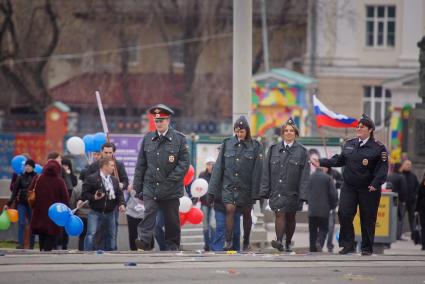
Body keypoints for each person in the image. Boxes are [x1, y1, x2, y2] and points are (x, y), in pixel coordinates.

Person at [312, 114, 388, 255]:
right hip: (350, 186)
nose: (358, 129)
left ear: (370, 130)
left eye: (362, 127)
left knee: (367, 218)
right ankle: (348, 245)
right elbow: (339, 160)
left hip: (368, 188)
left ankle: (366, 247)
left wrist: (375, 183)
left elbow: (382, 169)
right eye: (357, 126)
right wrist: (321, 162)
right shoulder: (350, 143)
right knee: (344, 213)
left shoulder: (378, 148)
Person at [133, 104, 190, 251]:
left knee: (172, 219)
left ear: (168, 120)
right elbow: (141, 165)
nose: (159, 123)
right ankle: (144, 241)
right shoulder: (148, 139)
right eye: (156, 121)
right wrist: (137, 188)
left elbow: (184, 164)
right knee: (149, 212)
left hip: (171, 187)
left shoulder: (179, 139)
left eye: (162, 120)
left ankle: (172, 245)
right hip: (151, 186)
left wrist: (170, 181)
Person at [208, 116, 263, 251]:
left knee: (246, 212)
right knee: (230, 209)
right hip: (229, 186)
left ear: (247, 131)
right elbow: (218, 168)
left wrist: (258, 192)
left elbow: (258, 171)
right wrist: (211, 191)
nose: (239, 134)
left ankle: (246, 241)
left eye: (242, 132)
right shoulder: (227, 143)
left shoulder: (255, 146)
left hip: (246, 187)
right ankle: (228, 241)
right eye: (237, 131)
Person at [260, 118, 310, 252]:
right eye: (286, 131)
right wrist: (264, 191)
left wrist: (303, 194)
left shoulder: (302, 151)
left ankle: (288, 242)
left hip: (293, 191)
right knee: (279, 214)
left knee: (290, 216)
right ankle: (279, 241)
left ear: (295, 133)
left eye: (291, 131)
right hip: (277, 190)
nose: (288, 133)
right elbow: (266, 172)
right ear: (282, 133)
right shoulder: (273, 149)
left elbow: (305, 174)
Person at [83, 142, 129, 250]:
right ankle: (96, 249)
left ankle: (112, 248)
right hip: (97, 204)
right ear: (101, 152)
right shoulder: (94, 166)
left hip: (112, 204)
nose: (108, 155)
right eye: (105, 152)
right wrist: (88, 197)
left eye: (110, 152)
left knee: (113, 228)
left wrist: (122, 185)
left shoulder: (118, 165)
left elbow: (125, 181)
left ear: (113, 153)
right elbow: (86, 184)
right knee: (96, 229)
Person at [30, 158, 69, 251]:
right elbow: (65, 198)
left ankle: (42, 250)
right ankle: (46, 253)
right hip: (54, 214)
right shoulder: (59, 181)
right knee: (51, 235)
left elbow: (30, 190)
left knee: (42, 233)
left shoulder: (38, 178)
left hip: (39, 212)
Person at [4, 159, 37, 249]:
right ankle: (20, 243)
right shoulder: (20, 177)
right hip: (21, 203)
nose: (27, 167)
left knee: (32, 224)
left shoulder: (36, 177)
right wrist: (8, 203)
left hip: (31, 203)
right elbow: (14, 192)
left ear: (33, 167)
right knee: (21, 223)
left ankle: (31, 244)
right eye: (26, 166)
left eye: (29, 166)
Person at [306, 158, 338, 252]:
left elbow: (306, 191)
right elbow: (334, 194)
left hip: (312, 210)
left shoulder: (310, 177)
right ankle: (319, 242)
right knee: (324, 229)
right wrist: (332, 206)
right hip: (324, 210)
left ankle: (312, 249)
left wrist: (309, 203)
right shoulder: (328, 178)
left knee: (312, 231)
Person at [57, 157, 78, 250]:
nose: (64, 167)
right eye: (63, 165)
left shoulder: (72, 175)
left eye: (66, 165)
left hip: (68, 202)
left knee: (66, 224)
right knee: (58, 223)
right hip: (59, 203)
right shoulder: (59, 175)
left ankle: (65, 244)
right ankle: (57, 243)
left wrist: (69, 176)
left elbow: (73, 185)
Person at [198, 157, 216, 251]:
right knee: (205, 225)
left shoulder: (216, 175)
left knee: (213, 224)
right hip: (204, 203)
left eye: (212, 164)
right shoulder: (202, 175)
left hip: (213, 203)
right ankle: (206, 245)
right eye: (208, 164)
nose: (210, 166)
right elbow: (198, 188)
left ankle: (213, 244)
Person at [387, 162, 408, 240]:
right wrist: (403, 200)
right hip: (398, 200)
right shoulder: (401, 177)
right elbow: (403, 190)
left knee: (390, 218)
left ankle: (389, 235)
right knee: (399, 218)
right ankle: (397, 236)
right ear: (399, 168)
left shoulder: (389, 176)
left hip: (388, 200)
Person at [401, 159, 419, 238]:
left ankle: (413, 235)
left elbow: (417, 187)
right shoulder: (400, 175)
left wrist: (414, 195)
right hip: (402, 201)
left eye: (410, 165)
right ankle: (399, 234)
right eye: (407, 164)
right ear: (403, 165)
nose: (408, 166)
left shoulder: (413, 176)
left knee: (412, 219)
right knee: (400, 218)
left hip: (412, 201)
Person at [70, 179, 90, 251]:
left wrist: (74, 212)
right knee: (89, 234)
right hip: (90, 215)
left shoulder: (76, 188)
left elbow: (72, 202)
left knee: (82, 235)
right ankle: (88, 250)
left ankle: (81, 250)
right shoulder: (92, 187)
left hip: (79, 215)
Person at [415, 173, 425, 250]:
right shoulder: (422, 184)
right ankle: (423, 244)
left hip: (422, 208)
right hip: (422, 209)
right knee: (423, 227)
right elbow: (419, 197)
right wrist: (416, 209)